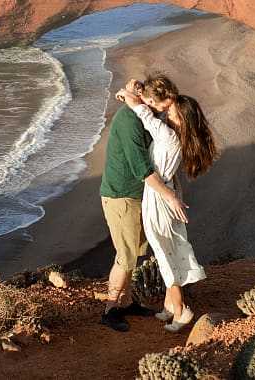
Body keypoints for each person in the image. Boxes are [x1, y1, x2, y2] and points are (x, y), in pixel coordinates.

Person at [115, 75, 218, 332]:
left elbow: (143, 113)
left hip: (160, 198)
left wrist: (129, 96)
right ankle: (169, 307)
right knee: (168, 248)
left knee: (163, 253)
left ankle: (181, 311)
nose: (163, 112)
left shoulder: (168, 136)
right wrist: (134, 89)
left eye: (169, 110)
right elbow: (148, 110)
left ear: (180, 118)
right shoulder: (175, 134)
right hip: (165, 194)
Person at [98, 75, 186, 332]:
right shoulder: (130, 122)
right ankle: (110, 310)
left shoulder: (142, 111)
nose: (164, 113)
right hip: (121, 195)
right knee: (125, 257)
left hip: (137, 195)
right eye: (162, 107)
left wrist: (129, 89)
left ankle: (126, 302)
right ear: (148, 101)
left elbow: (136, 86)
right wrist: (170, 196)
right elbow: (142, 169)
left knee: (135, 252)